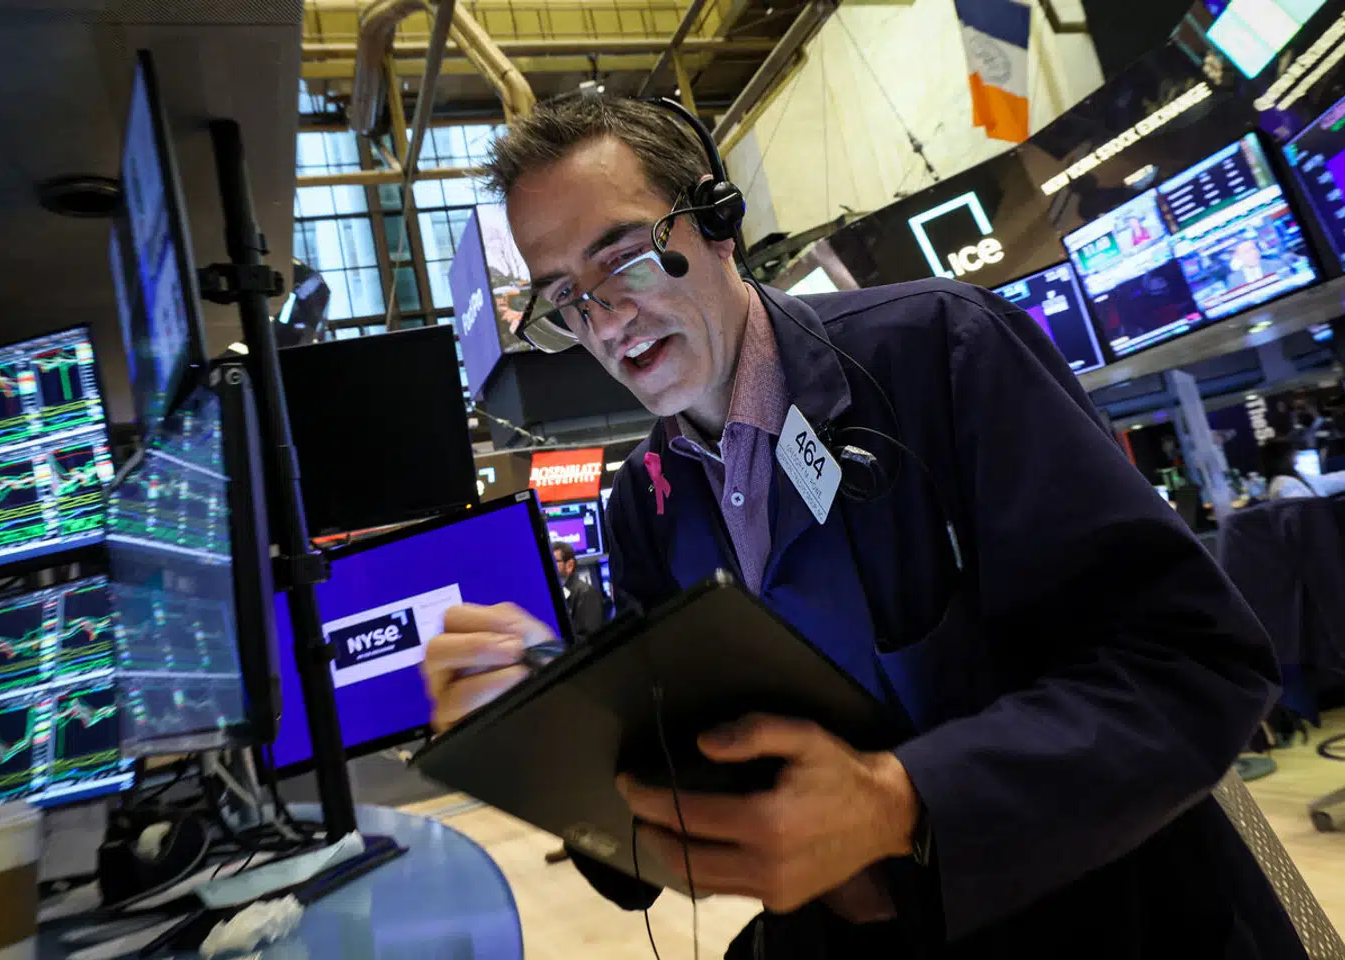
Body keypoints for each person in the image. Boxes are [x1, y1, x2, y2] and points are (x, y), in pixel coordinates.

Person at [422, 96, 1299, 958]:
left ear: (715, 222)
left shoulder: (939, 352)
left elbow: (1196, 660)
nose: (604, 320)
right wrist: (541, 727)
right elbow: (667, 793)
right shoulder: (646, 506)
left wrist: (903, 798)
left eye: (623, 260)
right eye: (565, 297)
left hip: (1109, 918)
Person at [543, 540, 605, 866]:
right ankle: (575, 842)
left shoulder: (586, 594)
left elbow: (590, 642)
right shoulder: (557, 597)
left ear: (570, 564)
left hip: (586, 695)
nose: (552, 567)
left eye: (556, 561)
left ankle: (594, 844)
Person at [1261, 437, 1345, 500]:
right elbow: (1303, 512)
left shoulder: (1296, 477)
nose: (1297, 454)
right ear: (1284, 458)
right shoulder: (1283, 486)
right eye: (1293, 452)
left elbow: (1325, 482)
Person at [553, 541, 604, 636]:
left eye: (554, 561)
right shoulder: (555, 594)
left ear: (569, 565)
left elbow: (591, 637)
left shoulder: (586, 593)